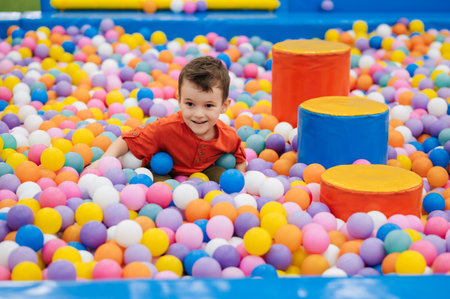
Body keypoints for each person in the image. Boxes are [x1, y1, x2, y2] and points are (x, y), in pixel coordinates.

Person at [88, 55, 246, 182]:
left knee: (222, 178)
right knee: (160, 187)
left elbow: (239, 158)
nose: (198, 114)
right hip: (163, 171)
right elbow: (127, 139)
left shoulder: (227, 136)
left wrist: (242, 180)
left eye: (209, 106)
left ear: (224, 106)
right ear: (179, 100)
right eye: (190, 104)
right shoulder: (165, 128)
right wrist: (103, 160)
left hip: (204, 172)